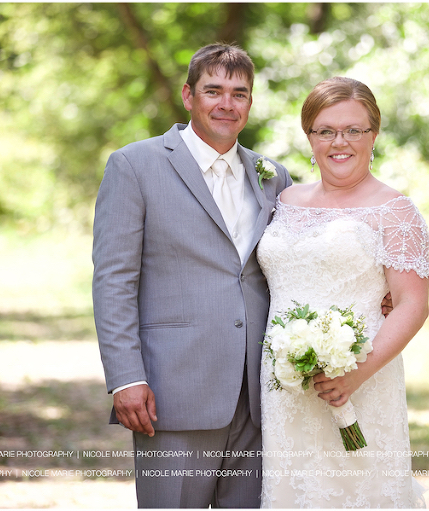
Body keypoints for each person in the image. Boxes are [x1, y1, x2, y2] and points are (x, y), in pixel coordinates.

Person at [92, 44, 292, 508]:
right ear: (188, 95)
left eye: (239, 93)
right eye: (213, 90)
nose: (227, 103)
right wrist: (125, 378)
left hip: (260, 395)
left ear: (250, 102)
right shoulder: (134, 166)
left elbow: (290, 263)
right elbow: (114, 280)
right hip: (172, 390)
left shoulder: (272, 176)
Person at [257, 77, 429, 508]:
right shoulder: (286, 200)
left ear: (374, 135)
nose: (341, 142)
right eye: (325, 130)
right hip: (285, 387)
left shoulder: (396, 211)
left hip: (363, 380)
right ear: (309, 136)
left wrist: (355, 373)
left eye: (354, 130)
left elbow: (412, 304)